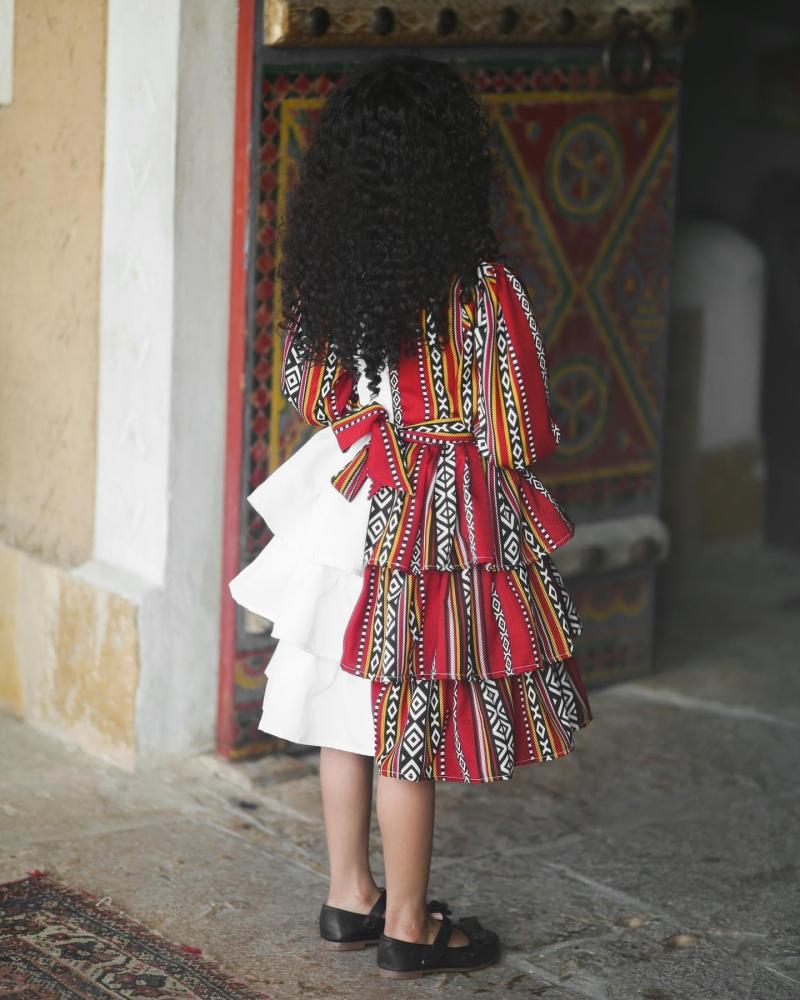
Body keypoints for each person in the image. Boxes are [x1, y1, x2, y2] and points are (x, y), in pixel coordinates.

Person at [229, 53, 592, 980]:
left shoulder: (330, 277)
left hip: (351, 500)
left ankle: (348, 894)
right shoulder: (483, 290)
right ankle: (407, 926)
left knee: (344, 712)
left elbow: (314, 393)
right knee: (410, 724)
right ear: (450, 163)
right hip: (436, 516)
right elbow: (520, 430)